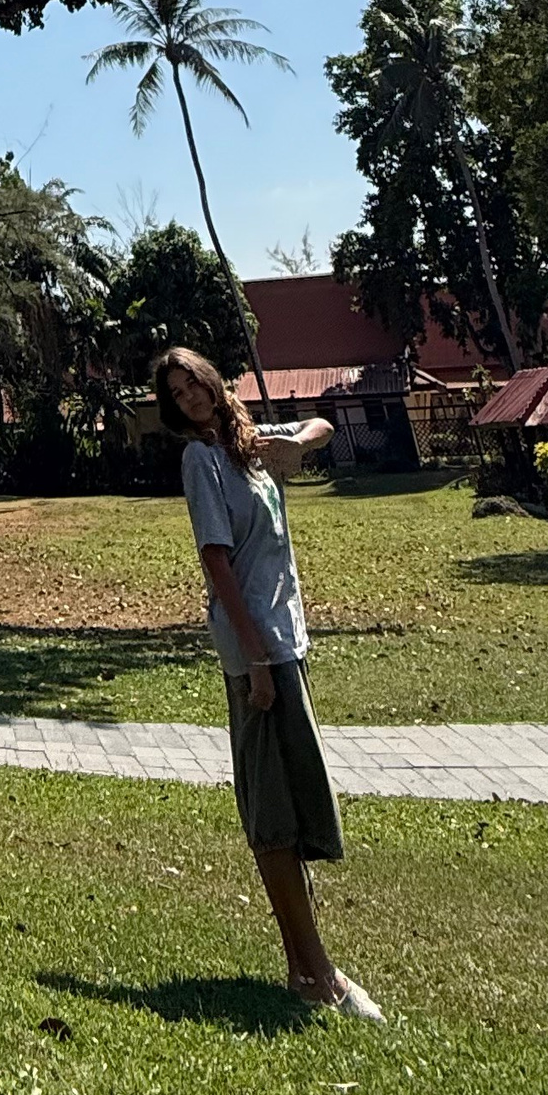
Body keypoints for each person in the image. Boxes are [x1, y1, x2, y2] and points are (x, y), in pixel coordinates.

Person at [157, 343, 383, 1021]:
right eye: (175, 392)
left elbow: (317, 426)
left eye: (192, 381)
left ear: (212, 379)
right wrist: (254, 658)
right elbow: (217, 563)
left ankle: (306, 964)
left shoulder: (247, 443)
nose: (189, 396)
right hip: (256, 650)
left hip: (288, 641)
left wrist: (288, 446)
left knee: (298, 801)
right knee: (274, 813)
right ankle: (316, 973)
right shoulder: (200, 461)